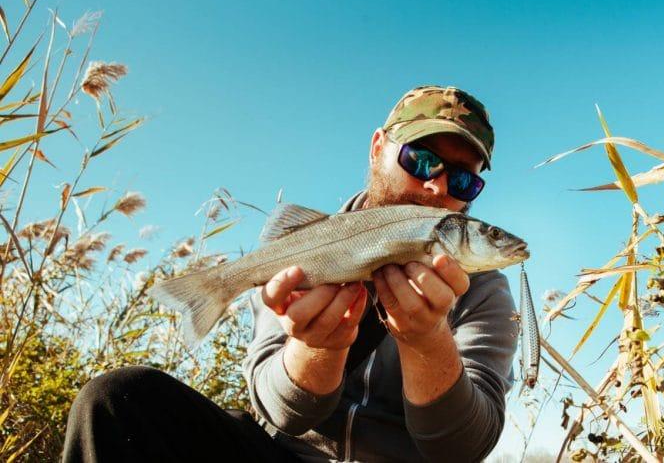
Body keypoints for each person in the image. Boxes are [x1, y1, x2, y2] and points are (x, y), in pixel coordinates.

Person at [62, 85, 519, 463]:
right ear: (378, 148)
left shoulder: (484, 290)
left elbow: (463, 447)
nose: (438, 186)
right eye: (421, 159)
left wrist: (427, 342)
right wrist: (315, 347)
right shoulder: (304, 247)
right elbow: (279, 411)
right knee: (118, 400)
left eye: (464, 180)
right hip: (282, 458)